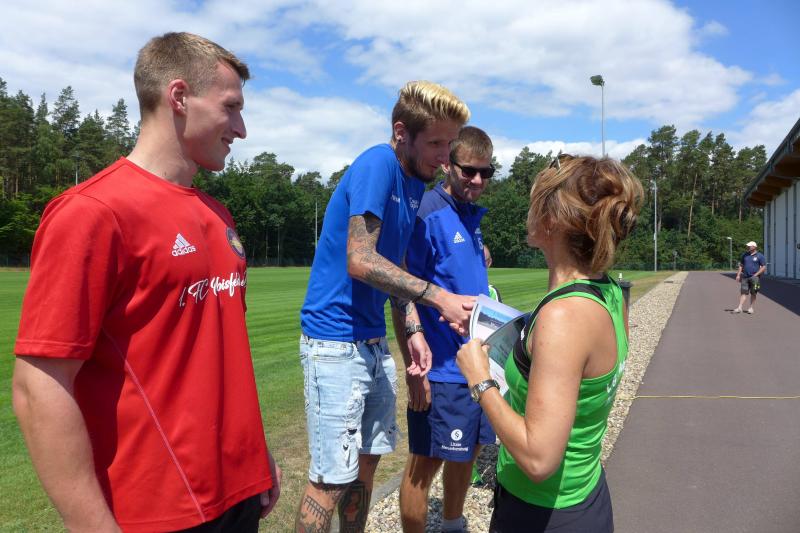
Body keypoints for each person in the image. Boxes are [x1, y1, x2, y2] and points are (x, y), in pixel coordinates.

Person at [12, 32, 280, 532]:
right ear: (179, 96)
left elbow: (221, 354)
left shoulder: (217, 214)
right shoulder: (92, 213)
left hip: (239, 492)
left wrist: (255, 450)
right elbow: (39, 385)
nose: (241, 129)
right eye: (231, 108)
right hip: (156, 511)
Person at [296, 81, 475, 533]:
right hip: (334, 342)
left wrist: (412, 330)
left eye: (450, 144)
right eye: (435, 143)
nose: (445, 156)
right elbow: (360, 259)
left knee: (366, 466)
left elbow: (393, 265)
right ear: (401, 133)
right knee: (329, 480)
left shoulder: (413, 183)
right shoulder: (379, 163)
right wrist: (437, 297)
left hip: (372, 342)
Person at [456, 154, 643, 532]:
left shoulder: (563, 317)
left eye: (535, 202)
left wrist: (480, 380)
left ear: (551, 220)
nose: (529, 212)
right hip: (584, 498)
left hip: (543, 515)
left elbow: (538, 459)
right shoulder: (606, 291)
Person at [397, 126, 496, 533]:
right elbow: (402, 288)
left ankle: (453, 525)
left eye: (486, 172)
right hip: (440, 370)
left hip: (475, 364)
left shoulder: (469, 215)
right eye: (468, 171)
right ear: (447, 166)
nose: (478, 180)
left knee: (467, 451)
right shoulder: (427, 213)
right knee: (425, 462)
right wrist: (416, 370)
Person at [733, 241, 766, 314]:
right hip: (745, 277)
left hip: (755, 278)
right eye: (748, 246)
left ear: (754, 247)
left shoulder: (760, 256)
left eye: (749, 246)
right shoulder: (745, 255)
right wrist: (738, 275)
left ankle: (751, 308)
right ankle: (739, 307)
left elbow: (763, 267)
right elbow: (741, 265)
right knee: (743, 292)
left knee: (754, 293)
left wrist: (756, 274)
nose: (748, 247)